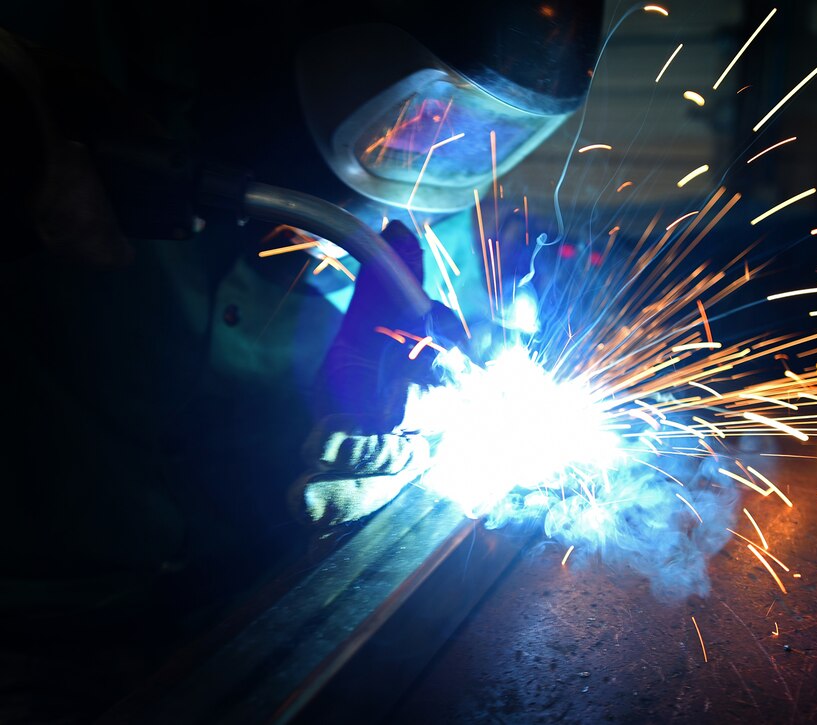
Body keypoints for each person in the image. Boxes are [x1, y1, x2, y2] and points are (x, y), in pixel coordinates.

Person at [0, 1, 602, 721]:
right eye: (424, 115)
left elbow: (455, 355)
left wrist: (412, 455)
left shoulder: (437, 203)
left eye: (487, 135)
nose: (441, 147)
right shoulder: (88, 47)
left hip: (241, 626)